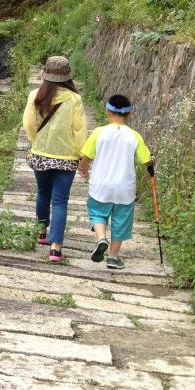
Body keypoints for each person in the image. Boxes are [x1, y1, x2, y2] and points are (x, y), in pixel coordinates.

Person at [22, 56, 88, 263]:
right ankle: (56, 247)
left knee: (43, 193)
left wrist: (37, 143)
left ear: (45, 74)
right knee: (60, 201)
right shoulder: (74, 99)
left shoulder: (36, 95)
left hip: (41, 154)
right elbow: (80, 130)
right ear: (67, 77)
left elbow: (29, 124)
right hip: (67, 157)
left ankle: (42, 232)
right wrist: (81, 156)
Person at [78, 94, 153, 270]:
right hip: (124, 188)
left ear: (107, 112)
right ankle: (113, 257)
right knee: (121, 221)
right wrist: (152, 161)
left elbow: (86, 157)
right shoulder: (135, 136)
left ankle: (101, 238)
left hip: (100, 185)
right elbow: (146, 160)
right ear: (129, 114)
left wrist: (83, 168)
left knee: (97, 213)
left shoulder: (99, 132)